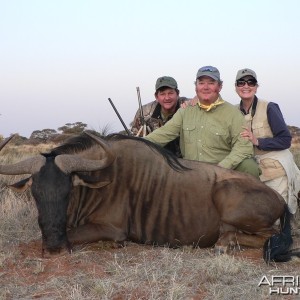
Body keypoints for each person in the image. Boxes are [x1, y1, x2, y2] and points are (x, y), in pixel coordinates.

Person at [144, 66, 260, 178]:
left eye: (211, 83)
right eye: (201, 83)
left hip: (222, 173)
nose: (205, 87)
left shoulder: (233, 113)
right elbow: (163, 134)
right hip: (192, 174)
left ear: (219, 86)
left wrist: (221, 167)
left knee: (249, 165)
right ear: (196, 87)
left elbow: (243, 147)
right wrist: (134, 144)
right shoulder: (185, 111)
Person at [235, 68, 300, 214]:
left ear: (256, 87)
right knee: (259, 217)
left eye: (251, 82)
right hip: (251, 172)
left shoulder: (269, 107)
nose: (246, 86)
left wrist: (257, 141)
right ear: (236, 87)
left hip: (275, 170)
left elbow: (285, 140)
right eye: (241, 82)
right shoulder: (232, 111)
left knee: (278, 214)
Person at [131, 76, 188, 157]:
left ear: (178, 94)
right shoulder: (144, 112)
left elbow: (203, 101)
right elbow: (135, 138)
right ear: (156, 97)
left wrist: (193, 102)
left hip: (183, 162)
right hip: (153, 160)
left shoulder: (188, 106)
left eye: (171, 93)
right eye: (162, 94)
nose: (167, 98)